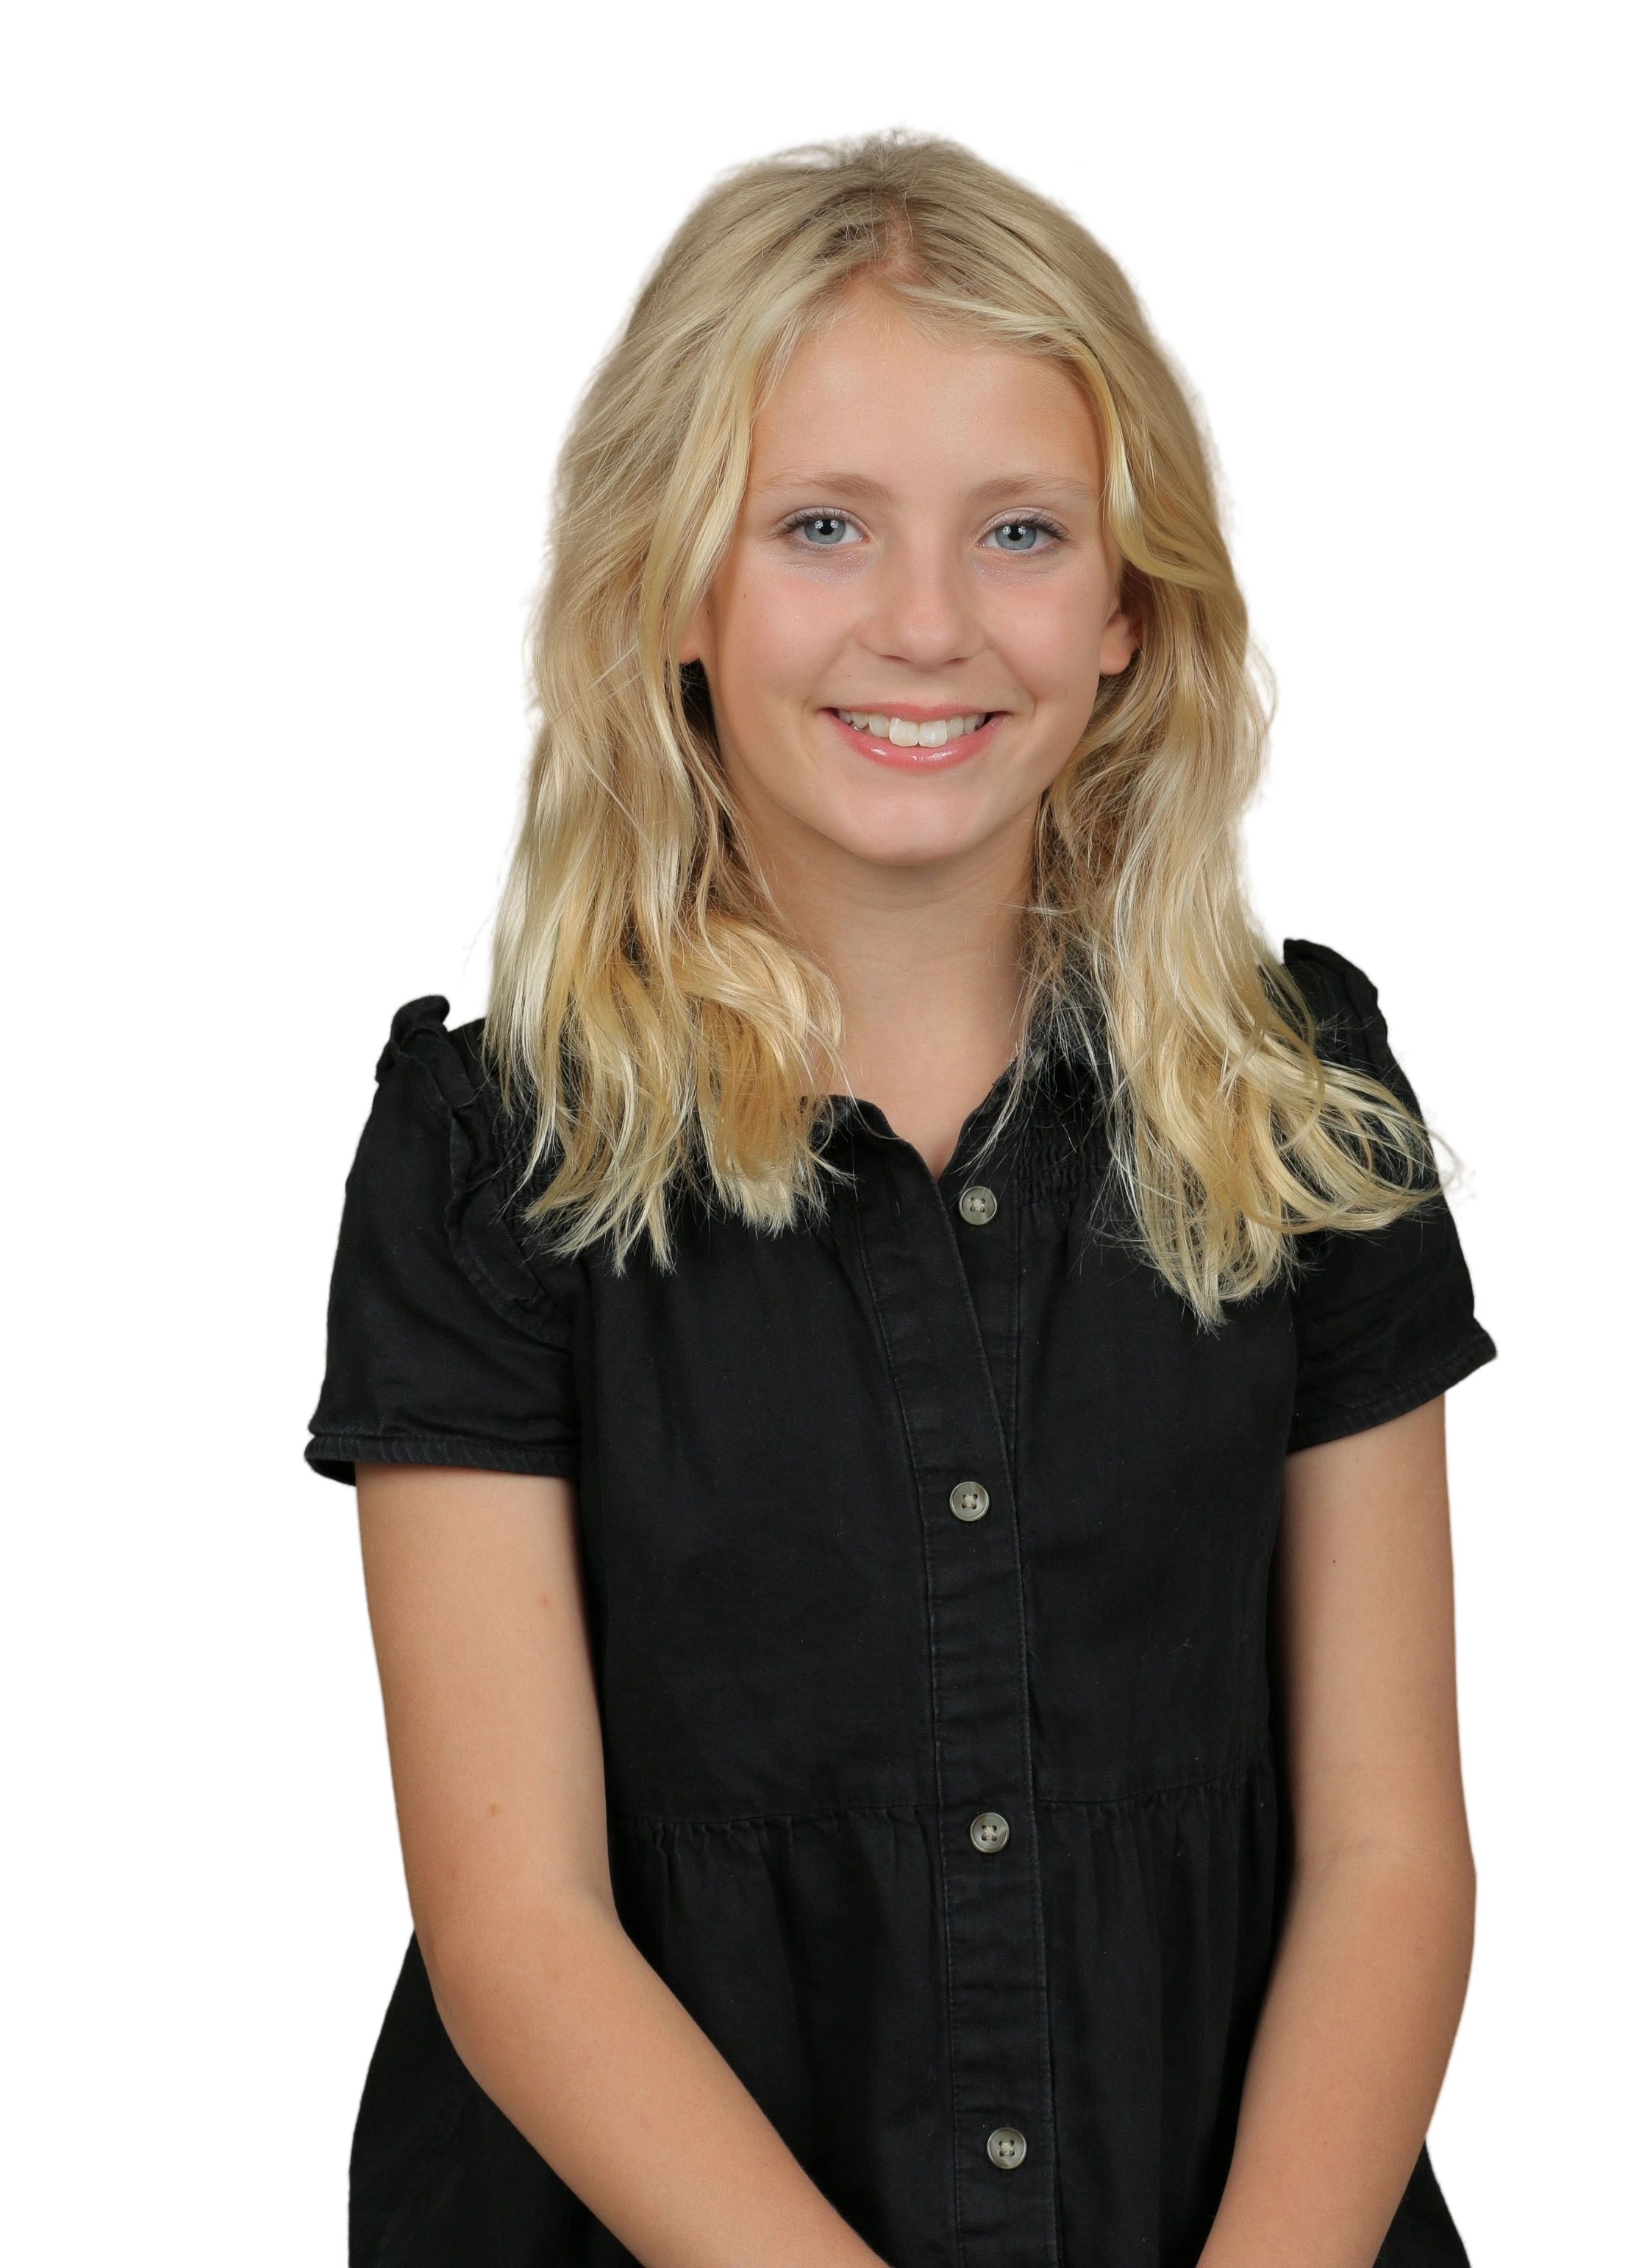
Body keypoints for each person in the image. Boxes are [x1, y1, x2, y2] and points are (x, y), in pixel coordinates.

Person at [300, 115, 1501, 2268]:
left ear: (1133, 608)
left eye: (1022, 530)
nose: (926, 625)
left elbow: (1389, 1855)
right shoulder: (493, 1145)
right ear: (677, 583)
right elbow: (519, 1923)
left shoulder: (1299, 1087)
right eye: (823, 527)